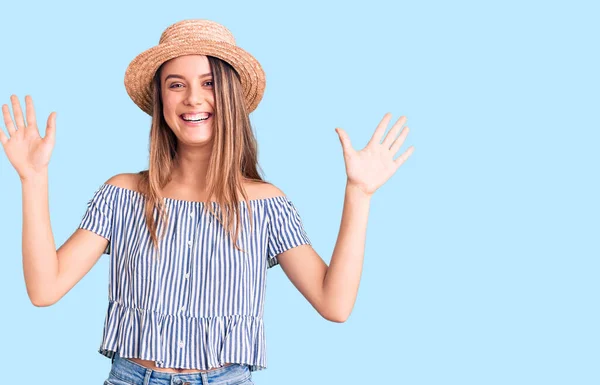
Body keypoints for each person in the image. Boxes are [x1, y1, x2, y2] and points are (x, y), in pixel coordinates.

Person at [0, 19, 414, 385]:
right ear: (161, 100)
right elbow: (44, 289)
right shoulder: (123, 195)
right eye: (176, 84)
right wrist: (33, 178)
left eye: (209, 82)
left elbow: (335, 304)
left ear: (230, 96)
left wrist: (358, 194)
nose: (193, 98)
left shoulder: (266, 205)